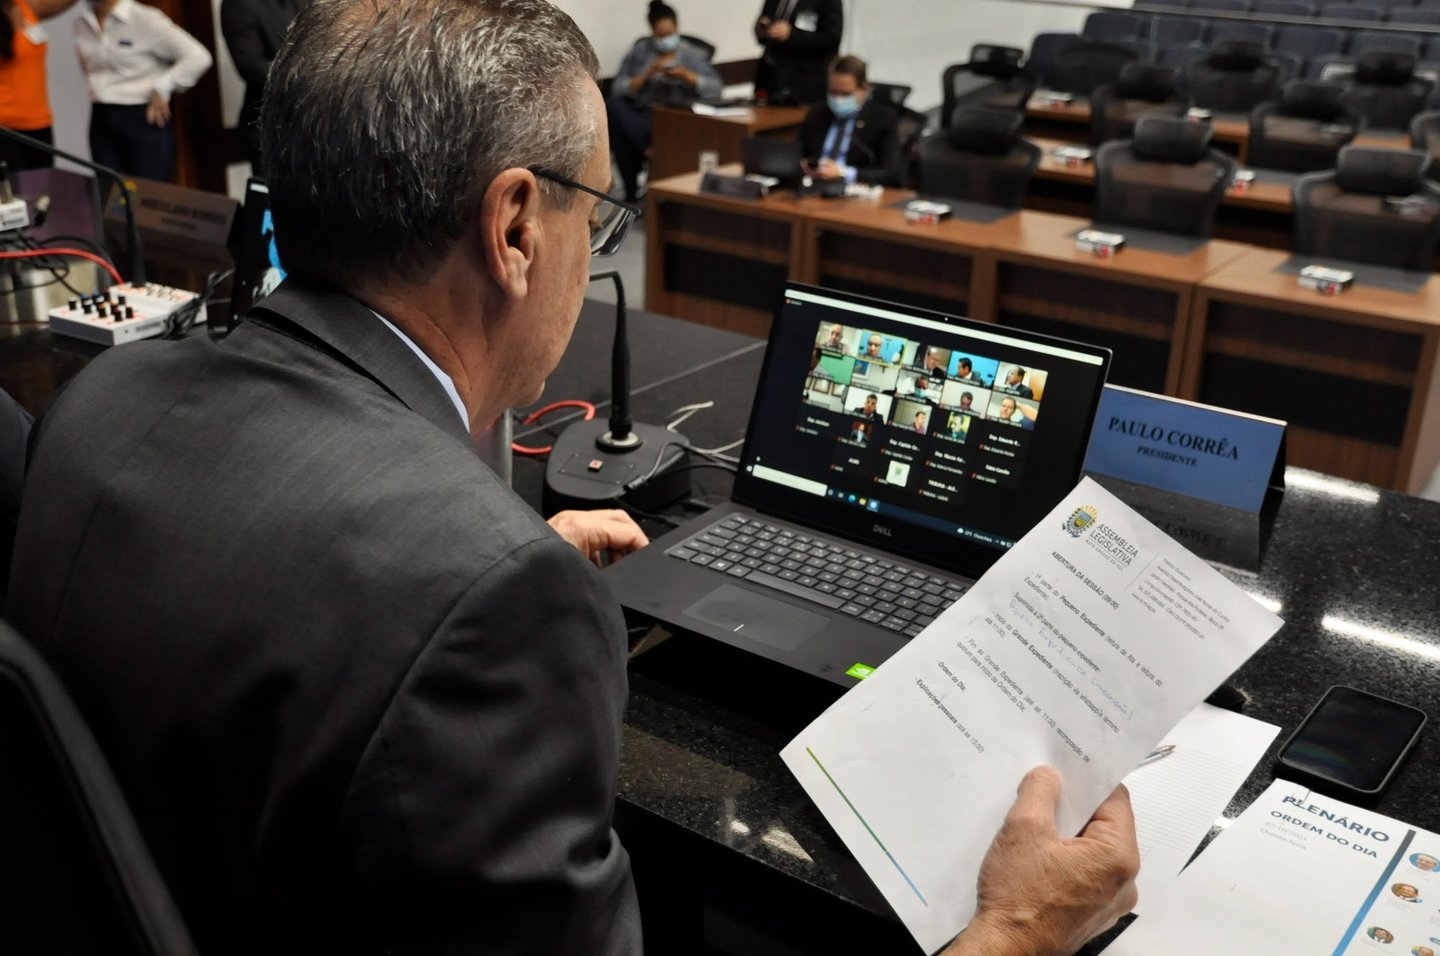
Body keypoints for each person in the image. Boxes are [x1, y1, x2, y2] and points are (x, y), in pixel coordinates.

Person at [8, 2, 1140, 953]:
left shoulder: (102, 402)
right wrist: (1013, 931)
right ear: (512, 229)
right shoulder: (485, 599)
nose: (600, 245)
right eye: (599, 211)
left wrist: (450, 593)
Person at [75, 0, 212, 181]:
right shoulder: (82, 22)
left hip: (142, 115)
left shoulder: (145, 18)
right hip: (102, 115)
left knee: (147, 198)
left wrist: (163, 86)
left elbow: (198, 57)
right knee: (110, 198)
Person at [606, 0, 720, 203]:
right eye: (661, 35)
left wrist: (687, 76)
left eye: (670, 34)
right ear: (652, 32)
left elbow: (716, 88)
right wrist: (645, 76)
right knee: (614, 107)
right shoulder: (641, 51)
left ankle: (647, 155)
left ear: (677, 27)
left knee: (622, 138)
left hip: (675, 117)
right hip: (643, 114)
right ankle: (645, 156)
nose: (666, 39)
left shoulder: (691, 53)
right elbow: (618, 86)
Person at [220, 0, 307, 174]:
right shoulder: (238, 5)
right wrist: (311, 77)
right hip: (273, 128)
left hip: (318, 122)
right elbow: (250, 65)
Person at [799, 54, 900, 186]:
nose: (838, 99)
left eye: (846, 94)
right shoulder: (817, 114)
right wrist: (803, 165)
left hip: (855, 190)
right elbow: (798, 152)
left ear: (863, 89)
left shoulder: (883, 119)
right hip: (815, 186)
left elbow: (889, 173)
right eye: (833, 92)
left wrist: (843, 172)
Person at [0, 0, 79, 170]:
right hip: (4, 127)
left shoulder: (24, 6)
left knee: (42, 192)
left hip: (39, 124)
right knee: (11, 194)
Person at [752, 0, 841, 105]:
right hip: (770, 80)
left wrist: (792, 35)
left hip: (804, 85)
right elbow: (765, 23)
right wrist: (763, 29)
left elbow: (831, 40)